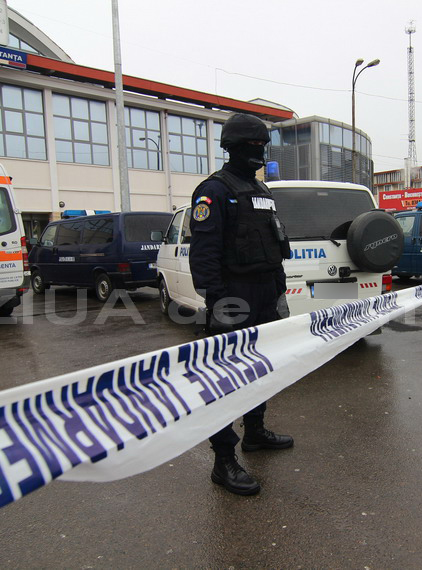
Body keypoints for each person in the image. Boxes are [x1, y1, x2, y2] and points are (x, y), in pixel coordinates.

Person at [188, 113, 293, 495]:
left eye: (263, 146)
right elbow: (204, 254)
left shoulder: (262, 190)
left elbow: (275, 244)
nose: (259, 152)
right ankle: (223, 460)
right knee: (226, 380)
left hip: (265, 293)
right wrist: (218, 301)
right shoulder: (213, 191)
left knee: (261, 369)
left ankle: (255, 432)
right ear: (232, 148)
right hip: (233, 294)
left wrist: (279, 292)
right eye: (252, 146)